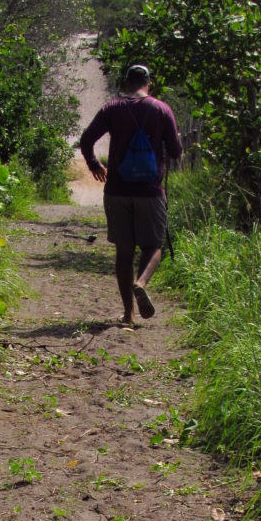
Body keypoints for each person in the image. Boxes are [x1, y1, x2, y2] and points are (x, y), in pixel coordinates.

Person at [80, 63, 182, 327]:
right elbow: (176, 151)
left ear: (126, 83)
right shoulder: (161, 109)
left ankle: (128, 315)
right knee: (154, 245)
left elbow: (87, 138)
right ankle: (142, 282)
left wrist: (94, 164)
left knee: (124, 252)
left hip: (117, 191)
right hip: (150, 191)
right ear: (149, 83)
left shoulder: (112, 109)